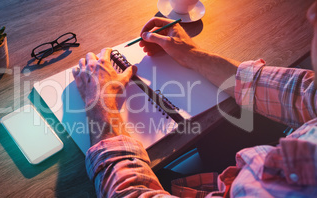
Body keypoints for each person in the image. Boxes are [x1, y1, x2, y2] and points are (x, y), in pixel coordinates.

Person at [72, 2, 317, 197]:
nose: (312, 12)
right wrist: (194, 55)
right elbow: (303, 95)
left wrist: (100, 105)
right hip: (236, 172)